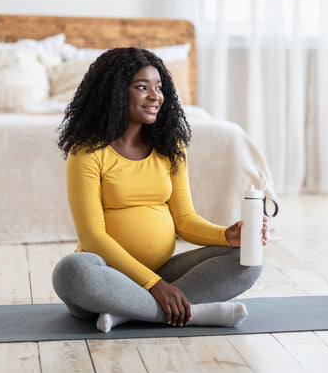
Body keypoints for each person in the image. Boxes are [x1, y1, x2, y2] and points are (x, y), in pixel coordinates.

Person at [52, 47, 264, 333]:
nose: (156, 97)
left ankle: (128, 314)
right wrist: (153, 285)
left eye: (159, 88)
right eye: (142, 87)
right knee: (71, 271)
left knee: (248, 260)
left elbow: (185, 220)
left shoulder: (170, 148)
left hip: (162, 273)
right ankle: (189, 311)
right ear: (115, 92)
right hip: (108, 278)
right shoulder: (88, 152)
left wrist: (227, 235)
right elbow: (92, 237)